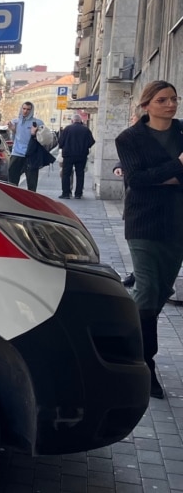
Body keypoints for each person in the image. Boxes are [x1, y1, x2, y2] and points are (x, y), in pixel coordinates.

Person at [115, 80, 183, 400]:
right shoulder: (129, 138)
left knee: (160, 292)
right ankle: (145, 363)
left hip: (177, 224)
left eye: (174, 99)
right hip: (143, 222)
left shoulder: (182, 132)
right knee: (146, 288)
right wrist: (177, 168)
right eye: (162, 100)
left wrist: (161, 177)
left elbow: (147, 177)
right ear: (147, 105)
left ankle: (130, 337)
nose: (171, 104)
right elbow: (137, 180)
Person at [7, 102, 47, 189]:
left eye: (28, 109)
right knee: (12, 183)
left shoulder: (37, 122)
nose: (25, 111)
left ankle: (31, 197)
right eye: (24, 108)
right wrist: (13, 130)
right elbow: (13, 139)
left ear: (31, 111)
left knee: (32, 183)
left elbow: (44, 140)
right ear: (21, 109)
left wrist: (34, 134)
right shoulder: (15, 122)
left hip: (31, 156)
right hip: (17, 154)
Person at [57, 114, 96, 199]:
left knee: (66, 174)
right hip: (81, 155)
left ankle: (66, 193)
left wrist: (64, 147)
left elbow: (60, 142)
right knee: (80, 174)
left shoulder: (67, 129)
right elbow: (91, 142)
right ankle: (78, 194)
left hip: (68, 155)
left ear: (72, 121)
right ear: (80, 121)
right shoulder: (86, 129)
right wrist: (85, 147)